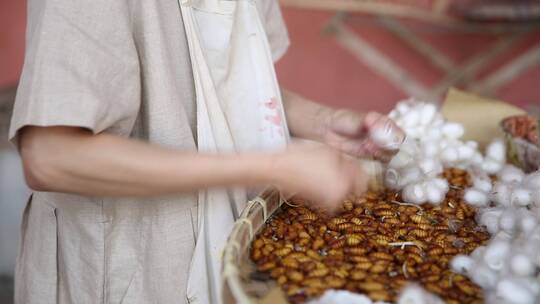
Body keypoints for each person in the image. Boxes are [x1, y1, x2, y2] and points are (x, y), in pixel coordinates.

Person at [9, 0, 404, 303]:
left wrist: (323, 122)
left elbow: (224, 83)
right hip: (129, 269)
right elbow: (51, 156)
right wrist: (274, 166)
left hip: (227, 238)